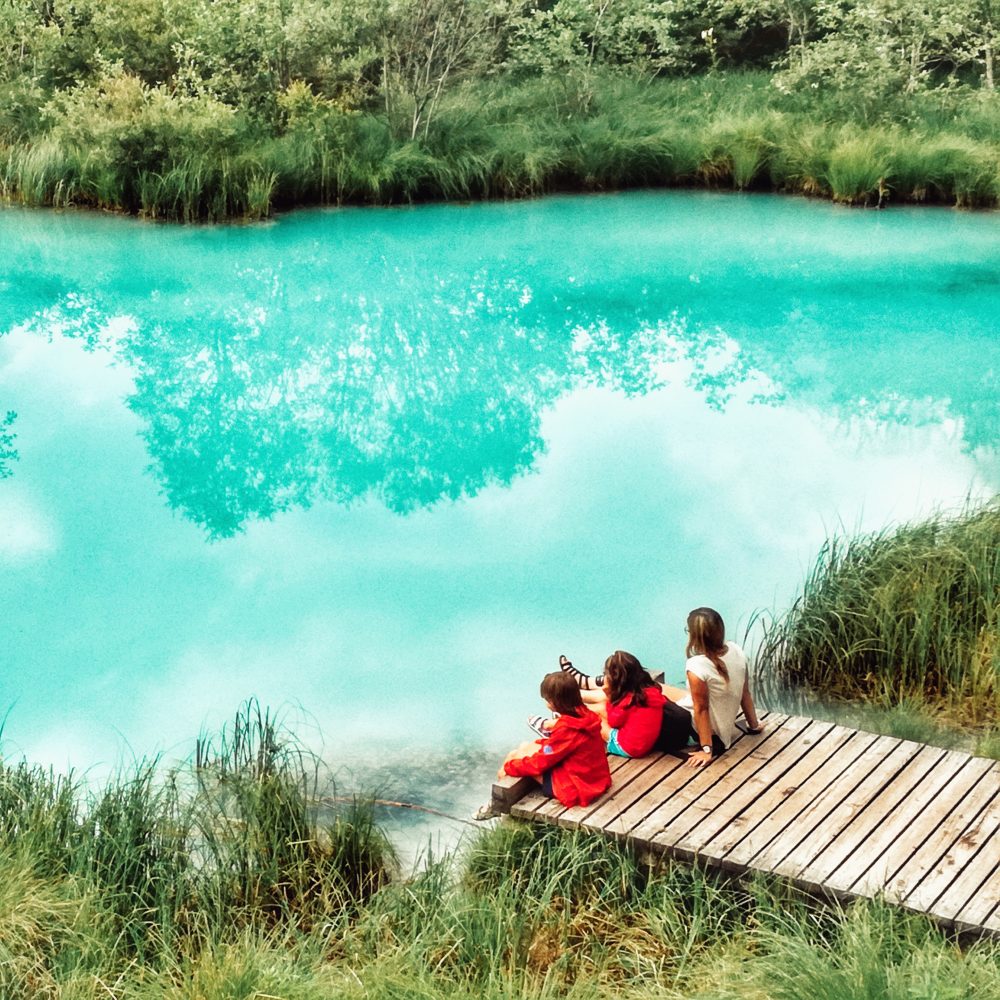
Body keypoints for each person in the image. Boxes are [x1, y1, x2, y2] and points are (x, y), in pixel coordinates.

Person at [664, 606, 763, 769]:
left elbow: (701, 710)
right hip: (721, 724)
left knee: (648, 698)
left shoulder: (697, 666)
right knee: (660, 689)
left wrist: (706, 750)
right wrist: (754, 725)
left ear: (695, 636)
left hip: (695, 731)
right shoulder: (736, 650)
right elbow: (745, 693)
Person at [500, 671, 612, 807]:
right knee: (525, 746)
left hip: (578, 787)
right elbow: (555, 747)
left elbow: (540, 762)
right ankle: (498, 801)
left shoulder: (567, 730)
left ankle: (498, 804)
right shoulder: (587, 715)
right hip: (595, 779)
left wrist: (510, 767)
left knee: (512, 760)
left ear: (552, 703)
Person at [557, 650, 667, 758]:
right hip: (644, 745)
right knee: (601, 707)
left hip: (628, 747)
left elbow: (613, 721)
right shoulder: (648, 691)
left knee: (594, 720)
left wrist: (609, 695)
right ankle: (574, 701)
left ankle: (566, 715)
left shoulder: (627, 701)